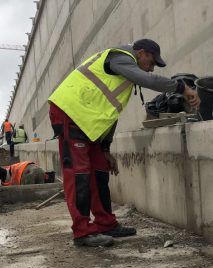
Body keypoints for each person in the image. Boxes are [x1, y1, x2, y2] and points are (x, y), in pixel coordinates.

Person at [48, 38, 200, 247]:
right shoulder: (119, 58)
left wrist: (105, 148)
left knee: (100, 169)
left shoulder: (123, 75)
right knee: (79, 174)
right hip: (70, 113)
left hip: (88, 120)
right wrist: (181, 87)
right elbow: (150, 80)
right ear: (141, 53)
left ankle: (105, 223)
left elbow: (109, 112)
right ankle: (82, 232)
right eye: (152, 62)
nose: (151, 67)